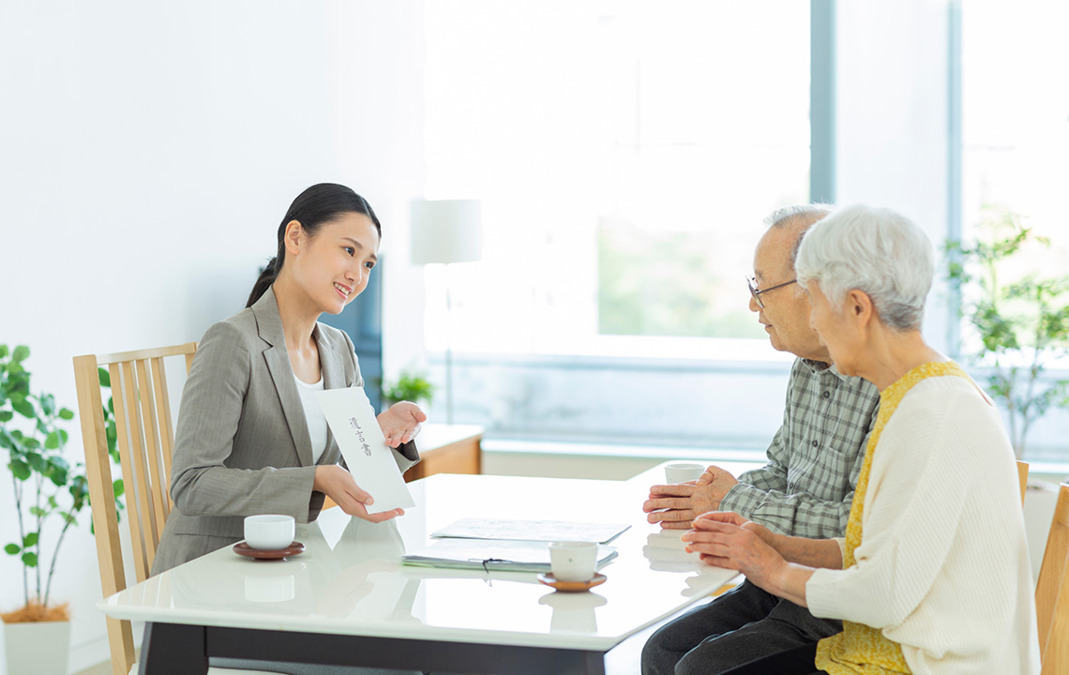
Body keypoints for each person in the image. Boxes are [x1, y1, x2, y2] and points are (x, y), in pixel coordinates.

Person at [684, 204, 1039, 673]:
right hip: (895, 643)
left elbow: (884, 595)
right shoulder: (914, 395)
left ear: (856, 307)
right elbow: (873, 547)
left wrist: (772, 569)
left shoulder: (935, 413)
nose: (814, 322)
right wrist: (773, 542)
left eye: (813, 301)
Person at [641, 205, 882, 675]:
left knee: (701, 668)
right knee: (662, 652)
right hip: (779, 581)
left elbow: (856, 526)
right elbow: (782, 471)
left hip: (838, 604)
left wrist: (734, 499)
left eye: (760, 287)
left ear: (817, 288)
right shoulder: (806, 367)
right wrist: (708, 498)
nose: (754, 305)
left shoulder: (889, 384)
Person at [153, 183, 425, 575]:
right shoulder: (233, 341)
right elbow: (191, 483)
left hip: (294, 573)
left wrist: (384, 437)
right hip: (214, 576)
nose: (357, 275)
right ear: (295, 237)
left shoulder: (339, 349)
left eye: (368, 264)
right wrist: (312, 479)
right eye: (349, 251)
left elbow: (355, 482)